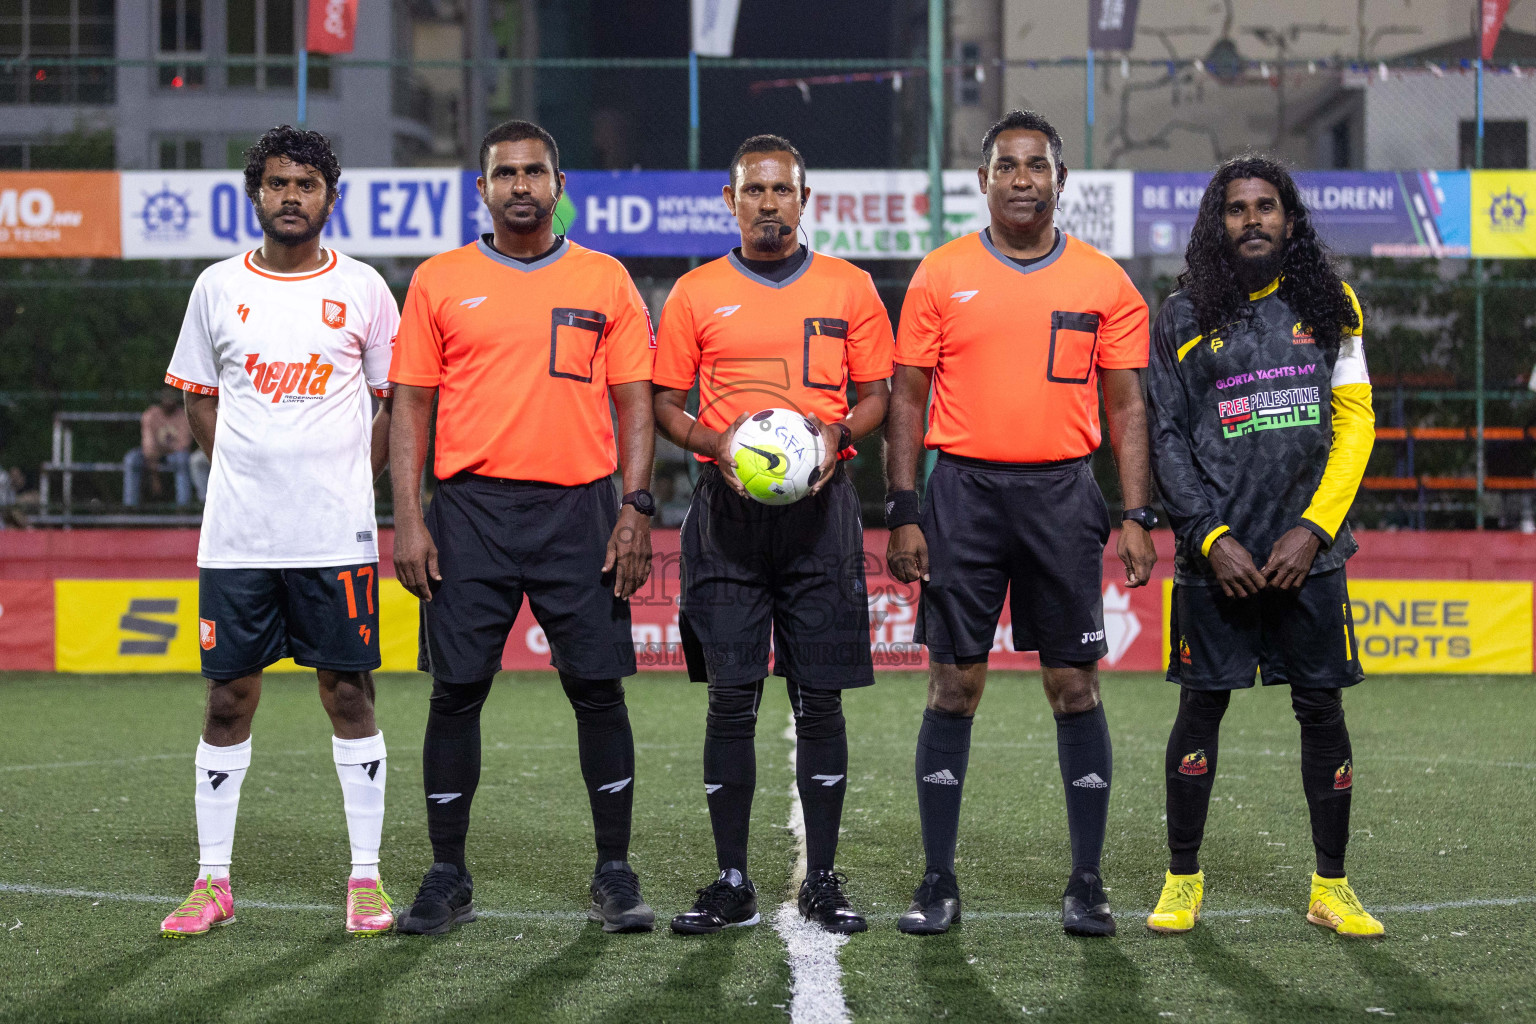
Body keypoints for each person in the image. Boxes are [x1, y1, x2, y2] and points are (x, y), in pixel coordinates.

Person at [885, 109, 1157, 937]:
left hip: (1064, 496)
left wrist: (1137, 512)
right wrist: (902, 509)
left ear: (1060, 179)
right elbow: (905, 395)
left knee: (1073, 685)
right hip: (962, 495)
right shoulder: (941, 273)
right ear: (984, 180)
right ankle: (938, 882)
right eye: (1007, 165)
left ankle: (1087, 883)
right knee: (954, 685)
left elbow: (1126, 405)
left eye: (1036, 165)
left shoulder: (1105, 282)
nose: (1022, 178)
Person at [389, 119, 658, 936]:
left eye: (534, 172)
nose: (519, 186)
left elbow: (635, 400)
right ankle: (447, 872)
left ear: (559, 184)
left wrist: (636, 508)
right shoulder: (439, 280)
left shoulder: (606, 279)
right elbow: (411, 405)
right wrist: (407, 519)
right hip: (468, 511)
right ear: (481, 189)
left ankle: (613, 872)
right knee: (457, 691)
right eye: (504, 173)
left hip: (580, 508)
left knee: (596, 691)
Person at [157, 126, 399, 938]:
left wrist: (349, 484)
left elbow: (393, 403)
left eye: (305, 184)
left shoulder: (365, 288)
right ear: (254, 194)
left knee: (348, 693)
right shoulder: (218, 287)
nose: (290, 196)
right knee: (227, 699)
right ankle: (212, 881)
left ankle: (365, 879)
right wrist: (246, 473)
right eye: (276, 184)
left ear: (331, 196)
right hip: (239, 538)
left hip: (335, 537)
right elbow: (196, 395)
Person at [653, 134, 893, 935]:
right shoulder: (694, 293)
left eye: (781, 190)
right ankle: (732, 881)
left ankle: (821, 878)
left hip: (821, 518)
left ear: (804, 198)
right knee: (731, 701)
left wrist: (833, 439)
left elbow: (877, 396)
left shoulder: (850, 287)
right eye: (752, 190)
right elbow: (664, 406)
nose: (767, 203)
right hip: (728, 522)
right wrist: (713, 443)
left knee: (820, 700)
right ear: (730, 200)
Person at [1144, 155, 1382, 938]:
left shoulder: (1332, 305)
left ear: (1290, 219)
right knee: (1201, 708)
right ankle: (1182, 878)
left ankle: (1332, 885)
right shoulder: (1180, 315)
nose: (1253, 219)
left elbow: (1356, 426)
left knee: (1321, 709)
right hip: (1220, 560)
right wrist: (1210, 537)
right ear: (1218, 224)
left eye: (1266, 206)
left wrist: (1313, 530)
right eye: (1237, 208)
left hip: (1307, 556)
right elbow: (1167, 437)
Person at [123, 386, 199, 507]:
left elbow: (184, 444)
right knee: (131, 459)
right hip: (151, 456)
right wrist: (155, 476)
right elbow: (148, 446)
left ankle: (183, 508)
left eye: (172, 397)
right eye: (166, 397)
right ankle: (130, 507)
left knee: (183, 459)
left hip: (173, 456)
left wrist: (163, 448)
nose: (169, 400)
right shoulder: (151, 414)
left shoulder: (184, 415)